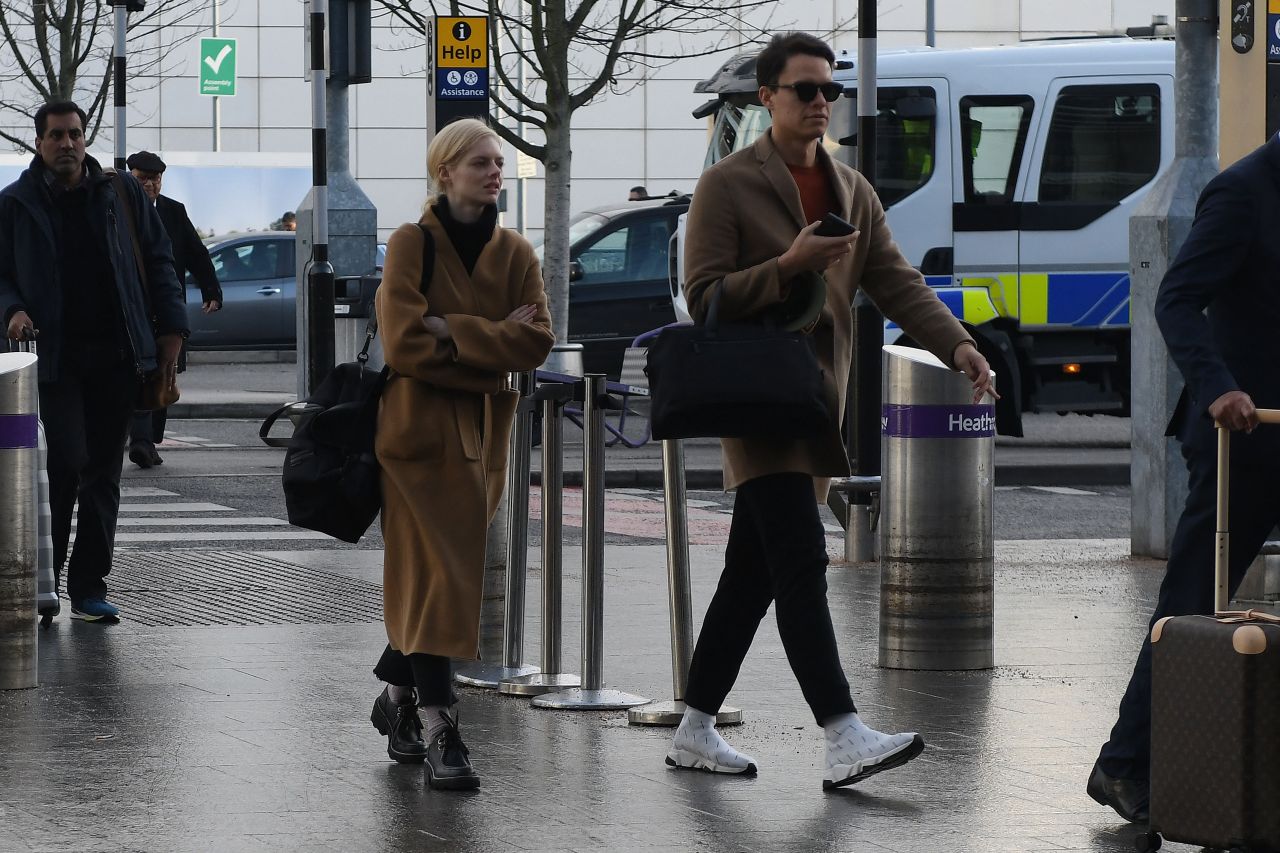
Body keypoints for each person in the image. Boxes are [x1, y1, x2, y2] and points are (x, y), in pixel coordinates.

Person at [667, 33, 995, 790]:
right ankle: (843, 731)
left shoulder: (851, 187)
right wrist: (788, 267)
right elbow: (705, 297)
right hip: (757, 397)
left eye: (828, 92)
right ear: (768, 98)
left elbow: (896, 281)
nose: (820, 103)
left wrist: (960, 348)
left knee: (752, 573)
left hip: (816, 402)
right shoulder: (726, 185)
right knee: (803, 561)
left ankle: (693, 726)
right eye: (805, 90)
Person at [1088, 134, 1280, 824]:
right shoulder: (1244, 191)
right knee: (1191, 601)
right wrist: (1217, 386)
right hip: (1244, 437)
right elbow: (1177, 298)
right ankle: (1124, 763)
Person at [370, 118, 554, 790]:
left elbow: (537, 342)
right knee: (444, 578)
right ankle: (444, 725)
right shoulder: (411, 243)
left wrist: (454, 332)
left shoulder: (514, 253)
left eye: (498, 162)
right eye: (480, 162)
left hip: (484, 439)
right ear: (445, 171)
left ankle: (395, 701)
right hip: (414, 437)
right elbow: (404, 344)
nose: (494, 171)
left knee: (440, 580)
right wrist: (489, 340)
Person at [0, 101, 187, 623]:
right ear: (39, 143)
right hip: (56, 360)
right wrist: (12, 309)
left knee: (103, 473)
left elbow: (159, 257)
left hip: (117, 356)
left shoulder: (120, 193)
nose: (67, 143)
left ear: (86, 139)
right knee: (64, 463)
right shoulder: (16, 203)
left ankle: (88, 586)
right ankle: (47, 582)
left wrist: (172, 331)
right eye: (56, 135)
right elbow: (0, 276)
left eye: (75, 134)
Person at [125, 150, 223, 469]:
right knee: (141, 372)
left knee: (165, 372)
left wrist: (212, 290)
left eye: (155, 180)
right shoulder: (117, 209)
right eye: (143, 179)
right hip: (132, 308)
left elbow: (196, 254)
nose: (150, 186)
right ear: (130, 178)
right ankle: (141, 440)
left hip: (166, 307)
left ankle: (148, 439)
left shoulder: (173, 211)